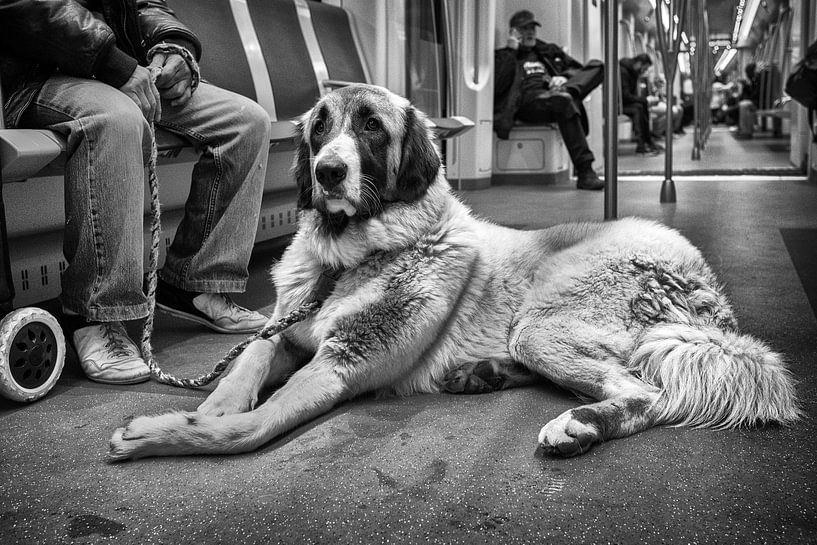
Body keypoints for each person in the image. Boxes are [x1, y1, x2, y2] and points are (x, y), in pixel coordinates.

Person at [0, 0, 271, 385]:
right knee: (118, 120)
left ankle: (195, 283)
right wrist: (115, 64)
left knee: (245, 122)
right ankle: (97, 314)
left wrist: (173, 46)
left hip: (118, 67)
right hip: (39, 73)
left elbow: (145, 4)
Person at [494, 9, 605, 191]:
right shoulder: (504, 55)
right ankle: (585, 172)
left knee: (598, 66)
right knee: (562, 100)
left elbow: (578, 69)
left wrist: (564, 78)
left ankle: (567, 90)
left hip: (554, 95)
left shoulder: (547, 52)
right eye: (524, 29)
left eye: (532, 28)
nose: (530, 32)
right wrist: (511, 50)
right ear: (514, 32)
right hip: (526, 103)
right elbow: (499, 86)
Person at [619, 53, 662, 155]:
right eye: (644, 68)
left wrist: (644, 101)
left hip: (625, 103)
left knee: (642, 106)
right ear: (639, 64)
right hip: (616, 106)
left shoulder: (632, 73)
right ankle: (641, 145)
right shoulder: (623, 72)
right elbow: (625, 96)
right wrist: (645, 100)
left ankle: (647, 141)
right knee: (638, 108)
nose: (644, 71)